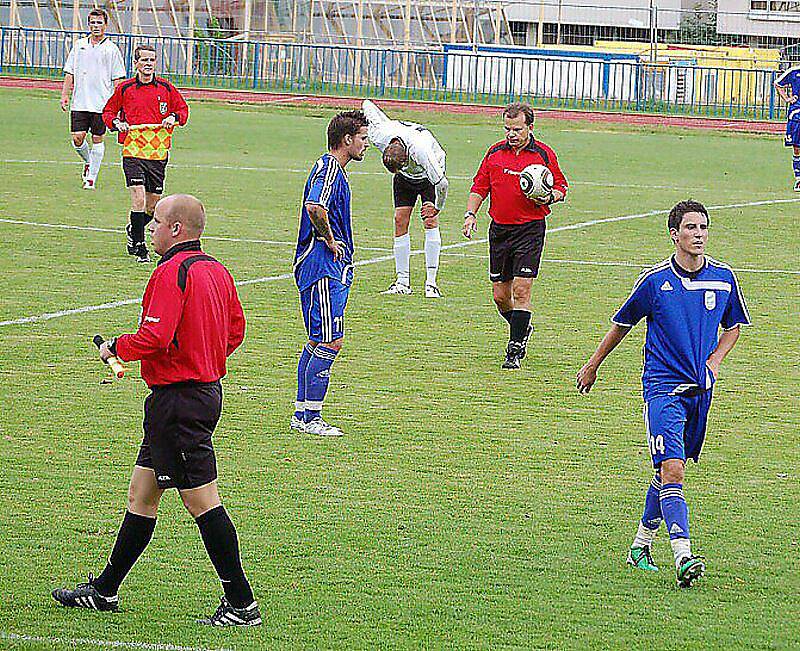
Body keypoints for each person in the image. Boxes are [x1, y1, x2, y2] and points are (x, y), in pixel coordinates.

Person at [52, 194, 260, 626]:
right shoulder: (216, 270)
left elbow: (154, 337)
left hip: (179, 404)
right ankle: (106, 590)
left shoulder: (171, 272)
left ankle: (242, 603)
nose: (151, 227)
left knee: (204, 502)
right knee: (142, 495)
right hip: (198, 394)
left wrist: (116, 348)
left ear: (177, 229)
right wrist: (206, 359)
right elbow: (236, 329)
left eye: (158, 221)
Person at [576, 200, 750, 588]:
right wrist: (593, 364)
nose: (699, 234)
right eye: (690, 228)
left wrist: (716, 361)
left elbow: (735, 325)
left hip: (700, 392)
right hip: (663, 390)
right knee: (674, 471)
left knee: (664, 471)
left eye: (703, 227)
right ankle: (683, 555)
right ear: (675, 234)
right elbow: (622, 324)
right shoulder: (654, 282)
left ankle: (639, 546)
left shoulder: (723, 278)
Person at [462, 102, 568, 369]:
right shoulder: (495, 152)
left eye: (517, 129)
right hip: (499, 229)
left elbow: (561, 186)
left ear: (530, 128)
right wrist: (470, 214)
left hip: (530, 229)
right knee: (500, 296)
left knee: (521, 290)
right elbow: (480, 185)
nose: (512, 134)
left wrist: (550, 195)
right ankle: (521, 328)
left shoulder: (544, 154)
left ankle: (514, 348)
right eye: (508, 128)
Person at [291, 111, 369, 437]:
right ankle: (311, 419)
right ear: (347, 139)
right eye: (363, 138)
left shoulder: (334, 169)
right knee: (330, 341)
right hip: (322, 266)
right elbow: (314, 207)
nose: (366, 144)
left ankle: (302, 414)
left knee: (316, 341)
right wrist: (329, 239)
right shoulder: (329, 169)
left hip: (325, 266)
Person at [102, 45, 189, 263]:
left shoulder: (166, 89)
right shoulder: (125, 89)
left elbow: (183, 111)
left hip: (157, 152)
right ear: (136, 63)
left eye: (152, 60)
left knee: (152, 204)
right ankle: (140, 248)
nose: (148, 64)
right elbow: (108, 112)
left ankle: (134, 228)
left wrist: (174, 118)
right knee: (138, 198)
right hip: (132, 149)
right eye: (144, 60)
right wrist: (116, 123)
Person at [362, 99, 449, 298]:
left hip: (428, 176)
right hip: (405, 180)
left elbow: (442, 184)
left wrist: (437, 207)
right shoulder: (379, 136)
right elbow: (367, 104)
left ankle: (431, 283)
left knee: (430, 221)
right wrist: (383, 121)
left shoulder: (422, 152)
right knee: (400, 220)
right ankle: (402, 282)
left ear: (408, 158)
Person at [60, 9, 125, 190]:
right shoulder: (79, 45)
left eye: (99, 23)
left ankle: (91, 179)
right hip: (80, 101)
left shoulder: (111, 49)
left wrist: (117, 104)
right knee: (78, 138)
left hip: (101, 103)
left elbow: (118, 79)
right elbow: (70, 71)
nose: (95, 26)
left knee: (98, 138)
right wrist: (65, 94)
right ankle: (89, 161)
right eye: (92, 23)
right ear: (88, 24)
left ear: (105, 25)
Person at [774, 65, 800, 191]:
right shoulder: (794, 71)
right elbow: (777, 83)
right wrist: (787, 99)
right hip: (797, 115)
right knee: (797, 148)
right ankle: (799, 179)